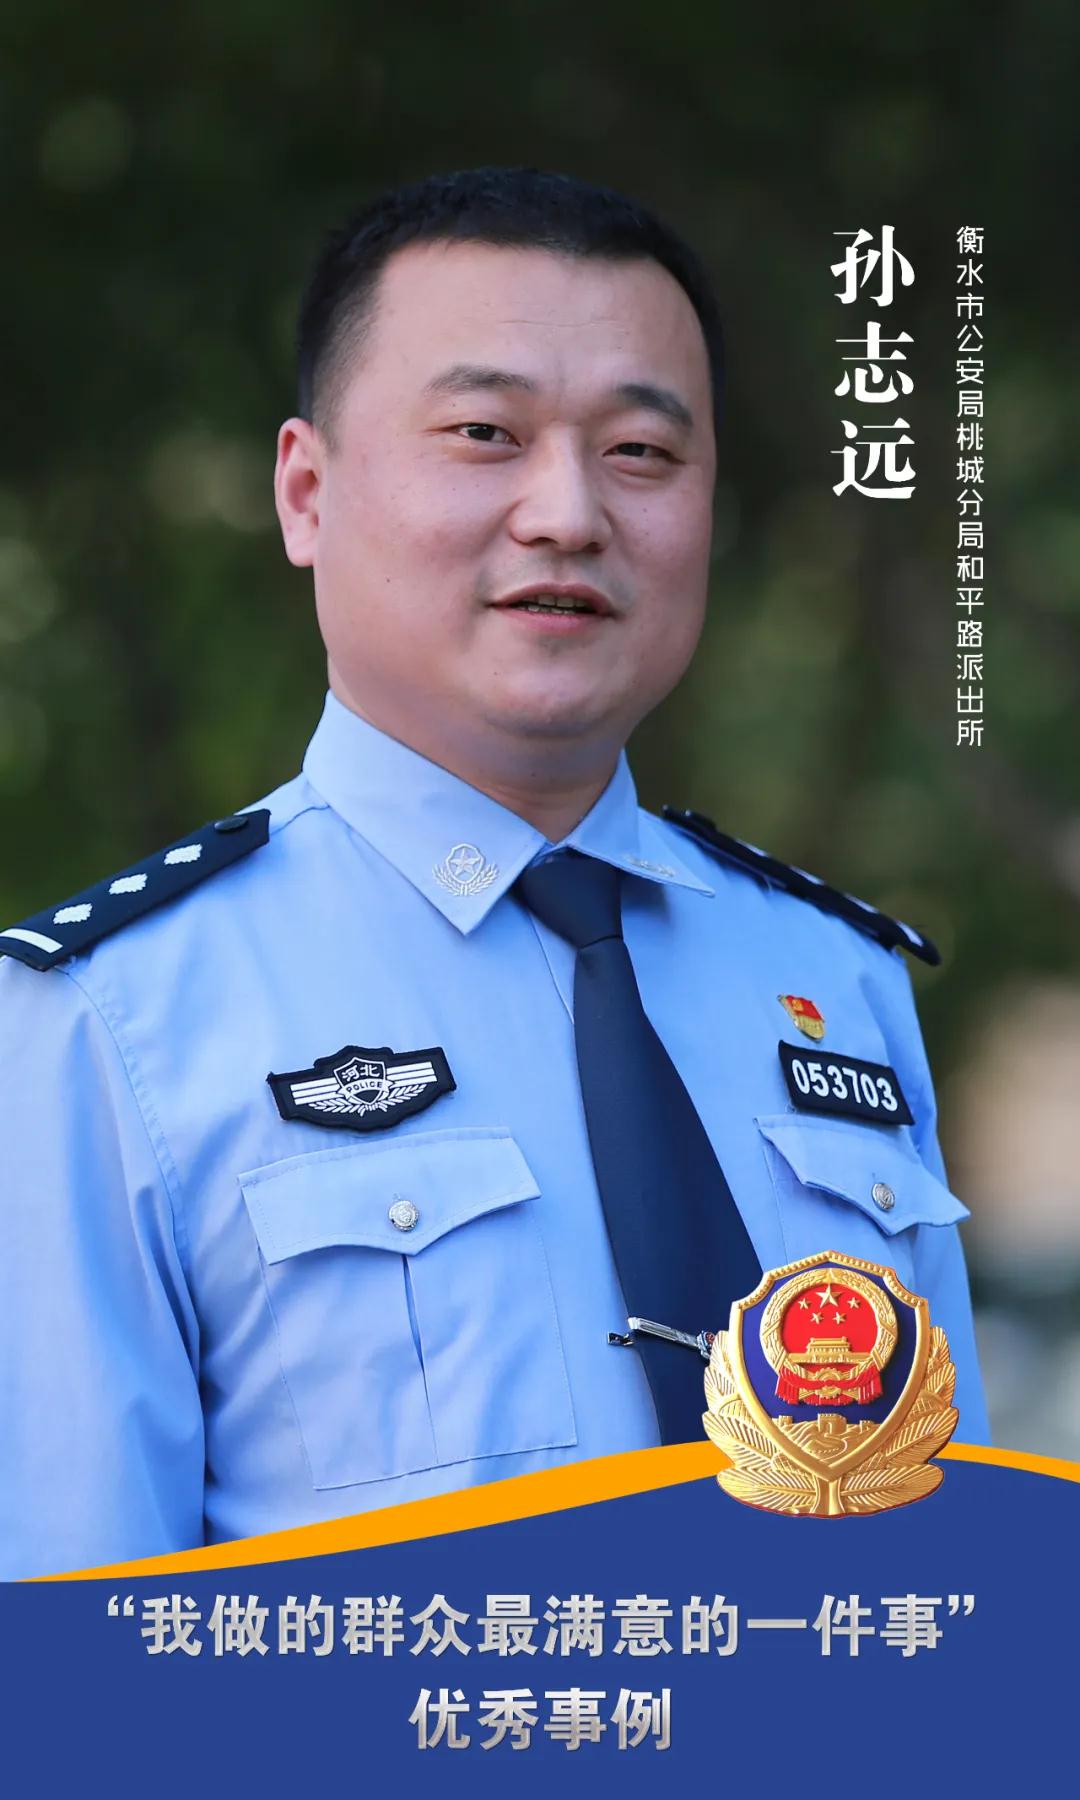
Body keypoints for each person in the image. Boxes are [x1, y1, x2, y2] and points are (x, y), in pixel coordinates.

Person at [0, 167, 989, 1580]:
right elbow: (60, 1655)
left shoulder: (833, 980)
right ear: (306, 493)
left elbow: (955, 1579)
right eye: (485, 433)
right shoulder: (109, 1025)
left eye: (641, 451)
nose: (568, 512)